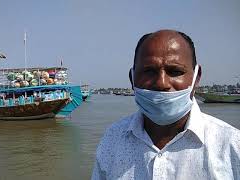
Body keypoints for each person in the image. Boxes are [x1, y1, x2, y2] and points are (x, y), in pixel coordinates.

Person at [92, 29, 240, 180]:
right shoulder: (113, 138)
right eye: (149, 71)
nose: (161, 83)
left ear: (196, 77)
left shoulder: (231, 145)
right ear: (132, 78)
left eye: (175, 71)